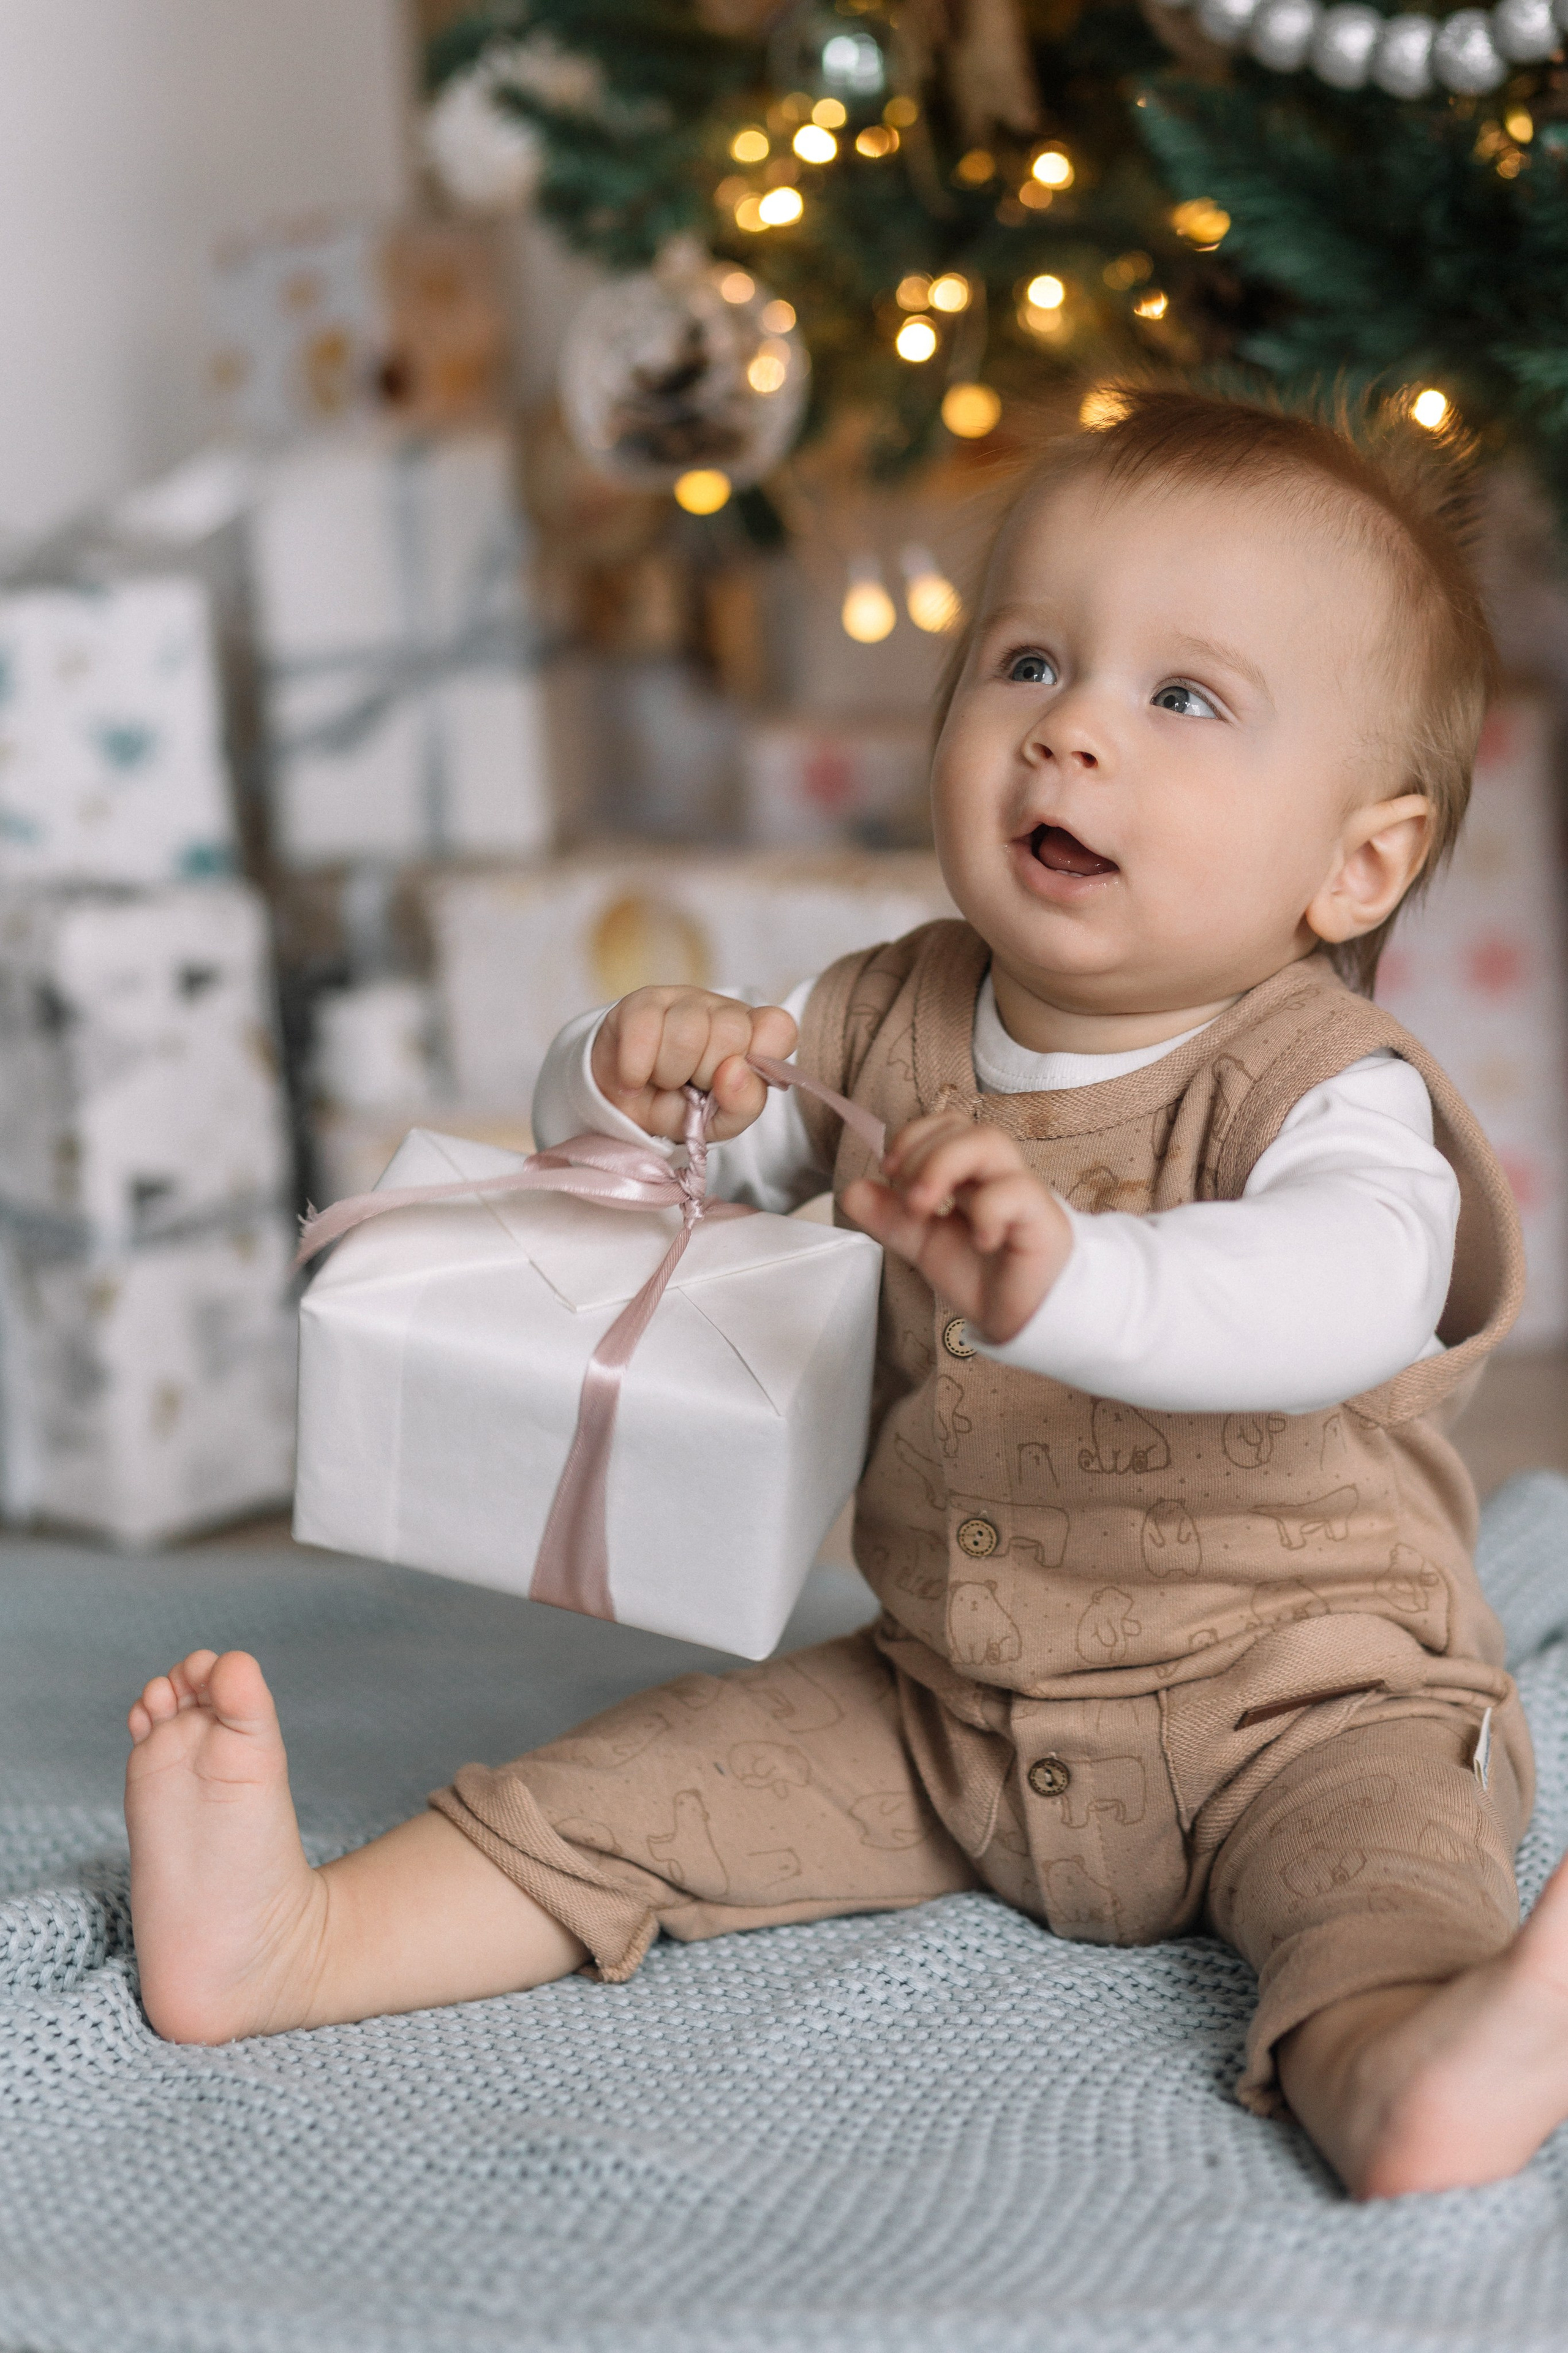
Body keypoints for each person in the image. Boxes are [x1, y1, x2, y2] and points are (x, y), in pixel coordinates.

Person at [122, 387, 1568, 2200]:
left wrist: (1074, 1276)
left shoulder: (1321, 1082)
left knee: (1378, 1894)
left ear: (1360, 861)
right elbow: (687, 1170)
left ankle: (1422, 2063)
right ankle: (296, 1940)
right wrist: (622, 1076)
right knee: (642, 1782)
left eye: (1183, 698)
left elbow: (1347, 1287)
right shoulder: (887, 1005)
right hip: (949, 1708)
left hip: (1307, 1697)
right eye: (1030, 661)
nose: (1072, 739)